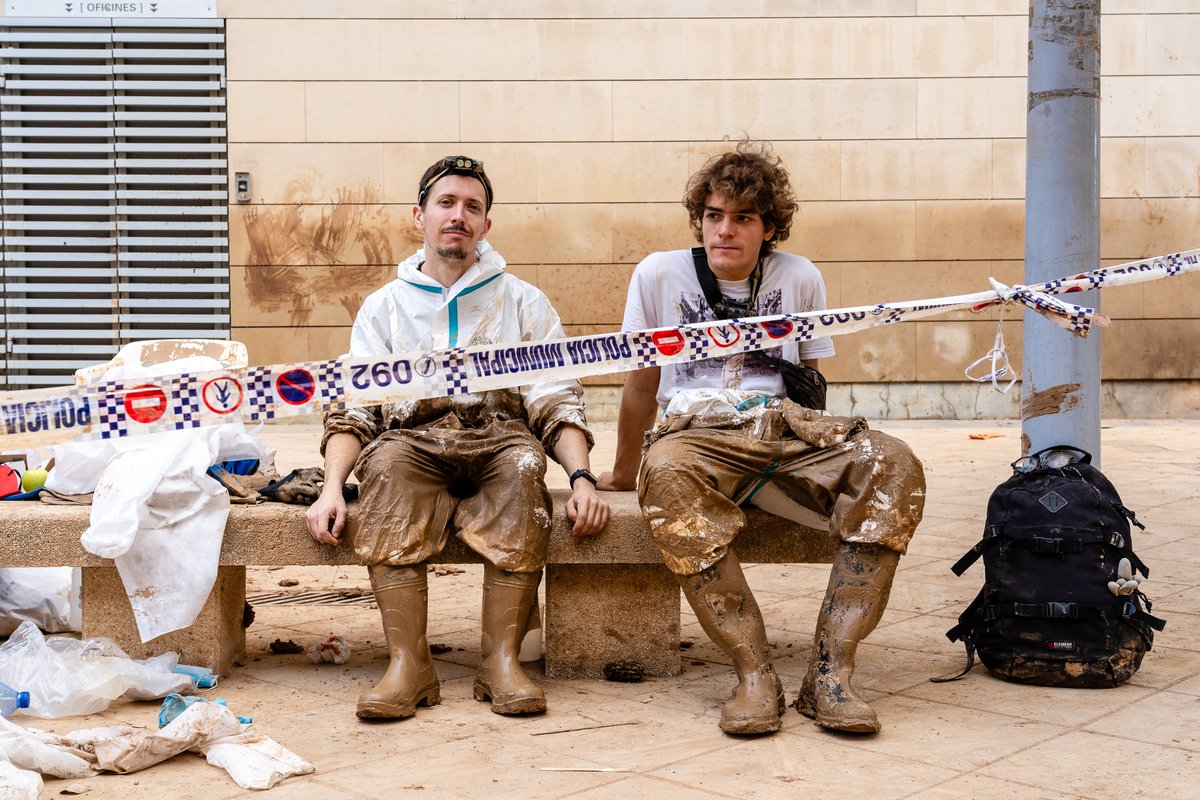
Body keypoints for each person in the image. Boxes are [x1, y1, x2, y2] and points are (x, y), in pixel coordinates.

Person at [597, 140, 926, 736]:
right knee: (666, 473)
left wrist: (813, 455)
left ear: (768, 227)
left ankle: (832, 674)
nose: (726, 230)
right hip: (695, 436)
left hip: (783, 430)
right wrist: (623, 471)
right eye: (714, 216)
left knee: (894, 462)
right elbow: (641, 384)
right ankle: (754, 673)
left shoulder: (800, 278)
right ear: (699, 220)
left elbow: (812, 382)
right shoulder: (658, 274)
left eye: (743, 218)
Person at [306, 155, 609, 721]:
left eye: (473, 207)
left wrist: (583, 477)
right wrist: (330, 489)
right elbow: (354, 409)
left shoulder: (524, 302)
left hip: (499, 440)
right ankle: (408, 665)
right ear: (418, 216)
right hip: (413, 442)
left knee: (523, 470)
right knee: (387, 468)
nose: (459, 216)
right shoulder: (383, 308)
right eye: (446, 203)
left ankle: (500, 662)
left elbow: (555, 397)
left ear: (486, 226)